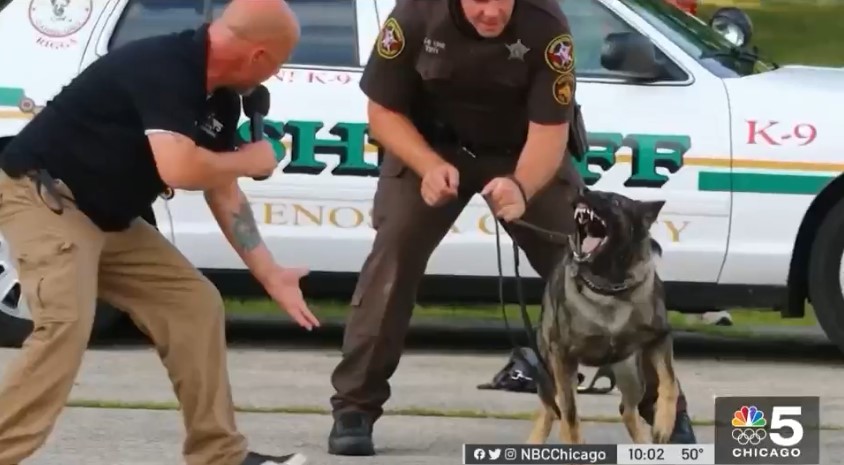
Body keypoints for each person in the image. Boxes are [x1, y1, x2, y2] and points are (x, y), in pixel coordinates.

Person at [327, 0, 697, 456]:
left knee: (598, 258)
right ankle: (354, 408)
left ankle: (664, 406)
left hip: (522, 151)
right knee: (394, 257)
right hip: (429, 146)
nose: (491, 11)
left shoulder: (547, 25)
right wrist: (426, 167)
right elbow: (382, 112)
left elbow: (550, 130)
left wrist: (521, 186)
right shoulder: (416, 13)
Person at [0, 1, 317, 464]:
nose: (275, 74)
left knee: (194, 304)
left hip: (109, 218)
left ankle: (219, 455)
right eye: (279, 63)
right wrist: (252, 159)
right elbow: (181, 167)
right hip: (46, 196)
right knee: (65, 325)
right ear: (259, 57)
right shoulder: (163, 65)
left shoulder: (221, 98)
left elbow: (223, 193)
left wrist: (272, 275)